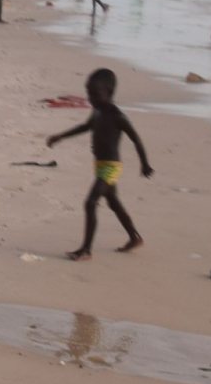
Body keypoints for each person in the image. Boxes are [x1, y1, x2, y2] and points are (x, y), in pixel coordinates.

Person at [46, 68, 154, 261]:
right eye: (89, 93)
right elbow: (85, 127)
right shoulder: (97, 112)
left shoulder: (117, 116)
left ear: (109, 93)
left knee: (90, 203)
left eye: (95, 94)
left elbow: (136, 139)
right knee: (113, 202)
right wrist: (60, 136)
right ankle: (134, 237)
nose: (91, 98)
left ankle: (86, 249)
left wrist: (144, 164)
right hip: (100, 164)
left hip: (111, 166)